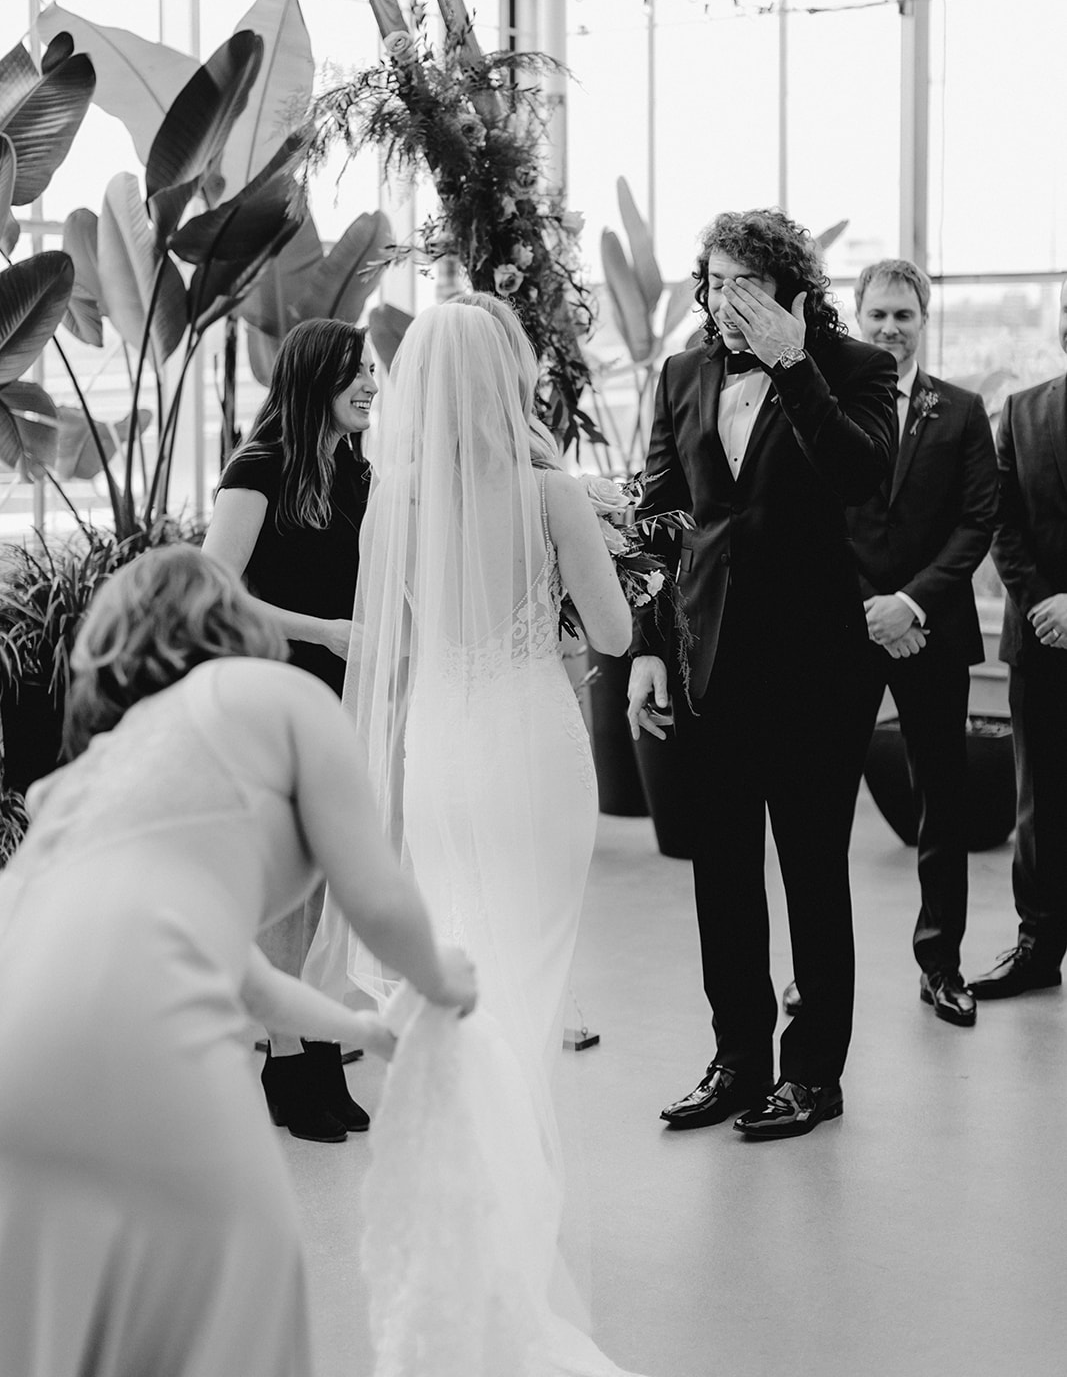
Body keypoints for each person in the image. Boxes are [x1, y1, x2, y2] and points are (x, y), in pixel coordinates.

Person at [0, 545, 476, 1377]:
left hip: (15, 1066)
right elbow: (376, 894)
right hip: (149, 1042)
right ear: (237, 617)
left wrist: (364, 1030)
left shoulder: (91, 778)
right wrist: (441, 980)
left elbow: (238, 974)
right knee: (237, 1315)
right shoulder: (279, 693)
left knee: (72, 1341)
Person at [306, 297, 641, 1372]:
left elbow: (393, 645)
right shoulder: (548, 489)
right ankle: (514, 1208)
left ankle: (463, 1204)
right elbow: (612, 629)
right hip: (531, 746)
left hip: (441, 748)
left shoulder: (393, 496)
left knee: (466, 966)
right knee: (527, 986)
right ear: (508, 375)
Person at [628, 208, 896, 1140]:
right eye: (710, 281)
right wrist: (649, 651)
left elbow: (862, 478)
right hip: (709, 661)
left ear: (786, 287)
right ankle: (736, 1062)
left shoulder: (858, 369)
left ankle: (812, 1074)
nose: (718, 300)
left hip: (816, 667)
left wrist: (792, 364)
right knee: (724, 874)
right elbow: (658, 520)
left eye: (740, 283)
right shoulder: (681, 373)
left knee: (813, 873)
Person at [782, 258, 997, 1026]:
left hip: (930, 632)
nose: (889, 329)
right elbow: (812, 522)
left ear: (922, 321)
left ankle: (941, 964)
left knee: (944, 803)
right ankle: (815, 971)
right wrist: (869, 607)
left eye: (903, 316)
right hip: (843, 630)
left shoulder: (963, 411)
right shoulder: (827, 405)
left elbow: (977, 523)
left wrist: (908, 604)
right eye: (877, 314)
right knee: (823, 807)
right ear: (857, 316)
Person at [203, 318, 378, 1141]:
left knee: (318, 882)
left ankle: (304, 1044)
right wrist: (325, 631)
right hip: (274, 690)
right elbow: (214, 588)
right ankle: (284, 1057)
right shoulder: (259, 466)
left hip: (339, 696)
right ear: (315, 380)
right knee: (287, 886)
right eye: (357, 372)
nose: (372, 384)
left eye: (372, 370)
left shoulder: (353, 470)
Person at [969, 277, 1067, 999]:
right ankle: (1036, 949)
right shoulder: (1022, 411)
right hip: (1040, 640)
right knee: (1041, 802)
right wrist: (1044, 603)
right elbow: (1000, 522)